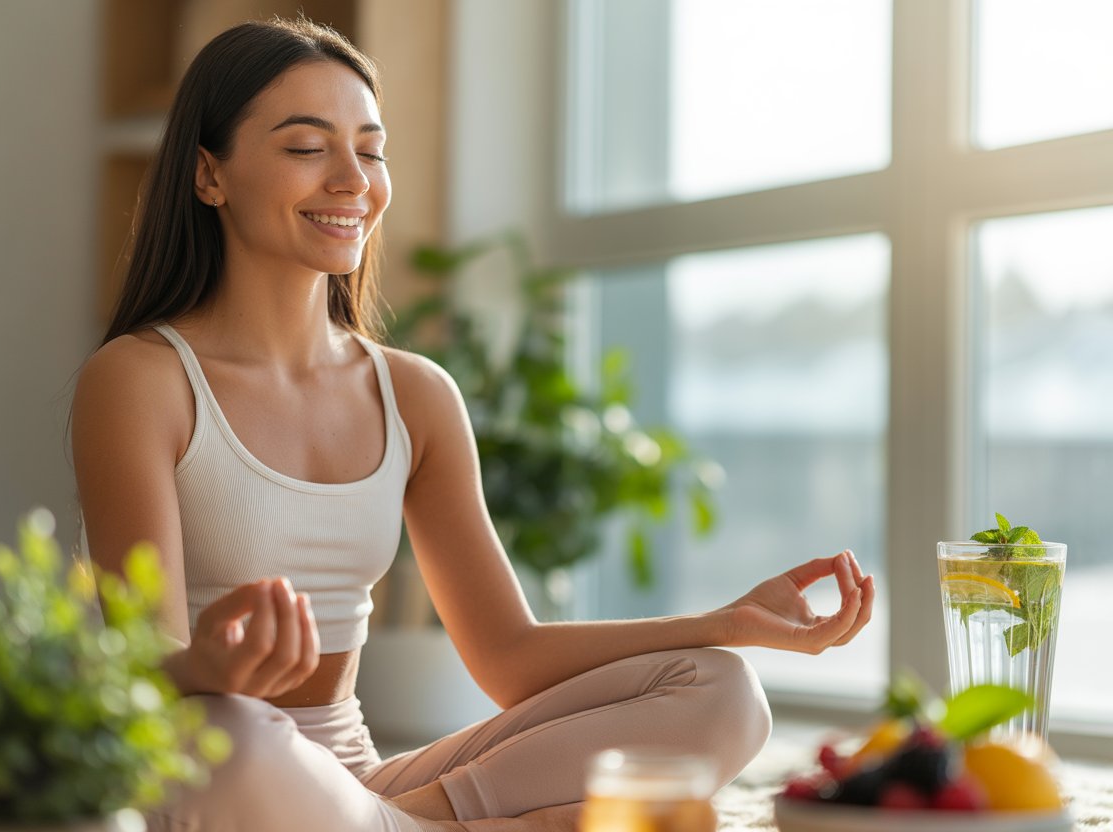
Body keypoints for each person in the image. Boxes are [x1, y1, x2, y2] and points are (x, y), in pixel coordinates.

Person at [71, 17, 876, 832]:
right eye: (307, 147)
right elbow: (142, 672)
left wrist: (726, 623)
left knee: (724, 690)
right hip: (234, 764)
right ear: (210, 175)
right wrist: (210, 667)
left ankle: (426, 823)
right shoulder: (142, 380)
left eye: (372, 149)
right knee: (224, 732)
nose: (354, 179)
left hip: (371, 788)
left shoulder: (415, 394)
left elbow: (509, 657)